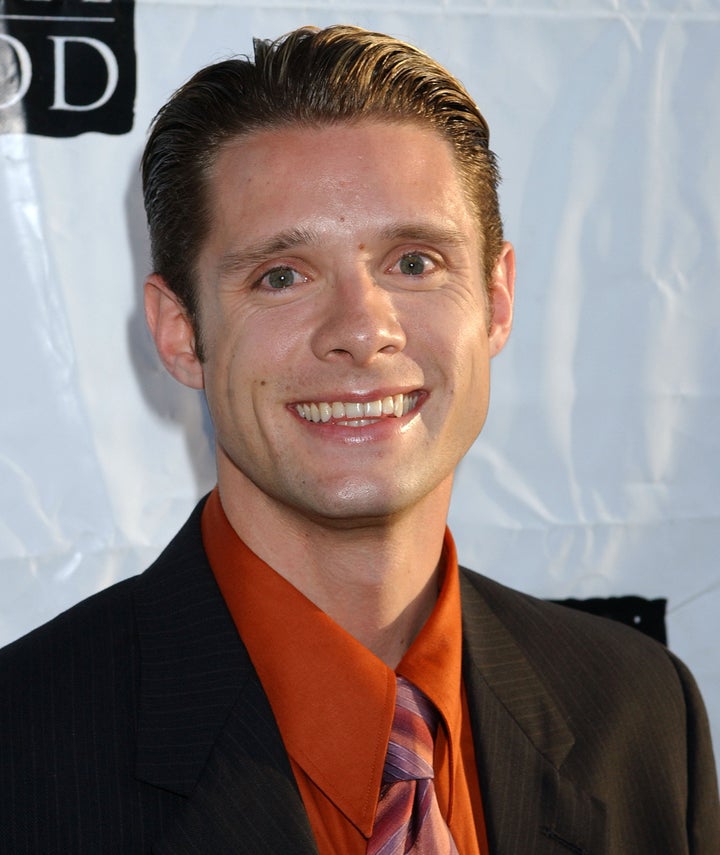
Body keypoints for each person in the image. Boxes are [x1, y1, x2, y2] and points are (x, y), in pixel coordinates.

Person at [0, 24, 717, 855]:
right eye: (282, 275)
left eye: (414, 263)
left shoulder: (641, 710)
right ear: (180, 333)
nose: (361, 330)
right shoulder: (23, 753)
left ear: (497, 301)